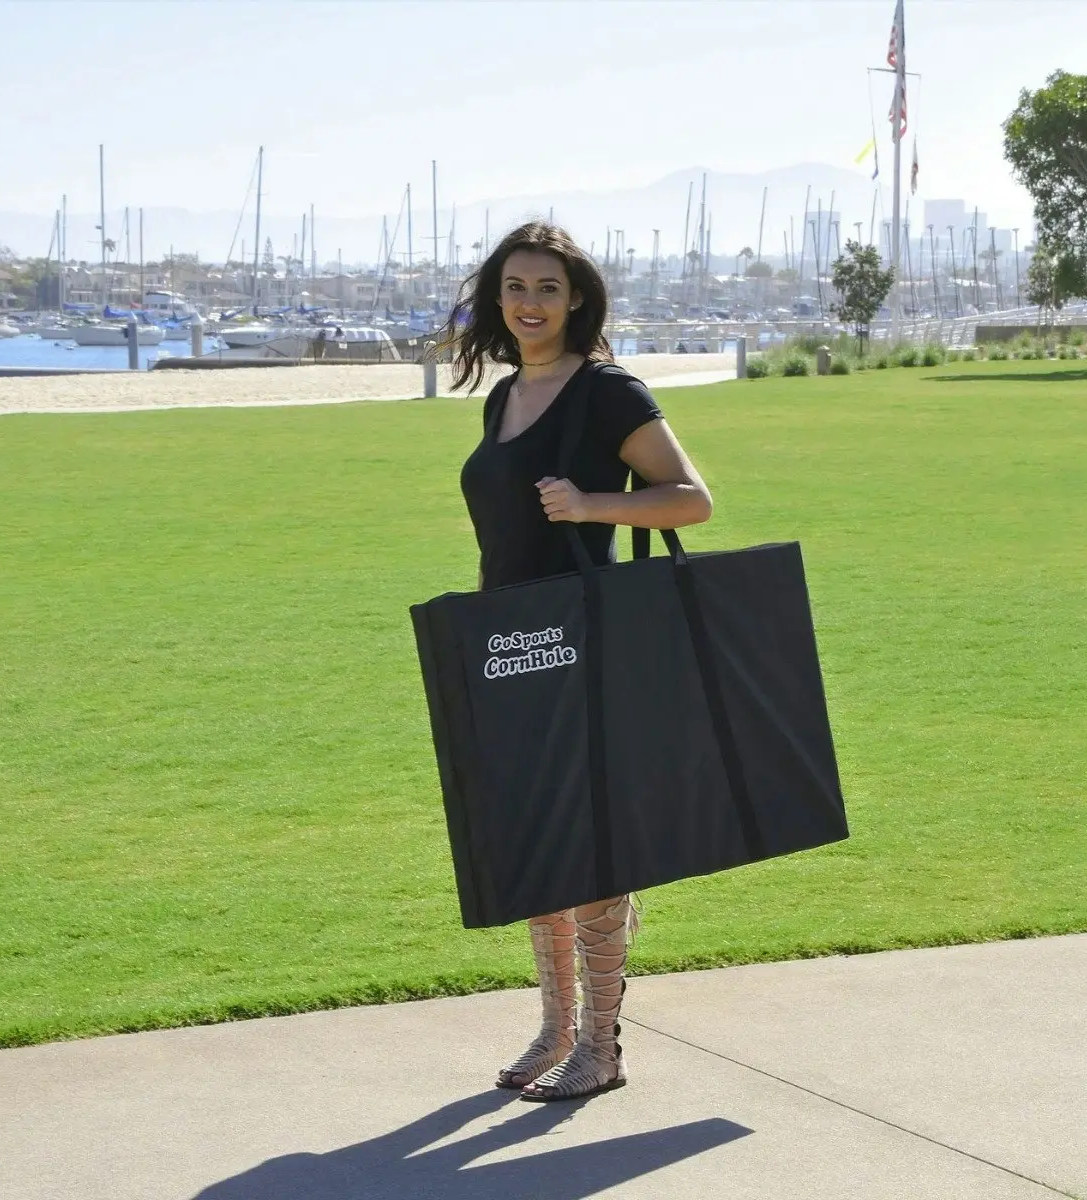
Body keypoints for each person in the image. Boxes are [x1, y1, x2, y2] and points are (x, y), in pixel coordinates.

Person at [442, 221, 713, 1101]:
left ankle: (602, 1044)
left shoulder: (608, 393)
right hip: (511, 644)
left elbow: (692, 501)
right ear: (497, 298)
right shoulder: (505, 396)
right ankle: (556, 1028)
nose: (529, 303)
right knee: (538, 840)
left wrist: (592, 502)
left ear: (577, 300)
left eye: (547, 289)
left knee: (593, 843)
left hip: (588, 640)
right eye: (515, 287)